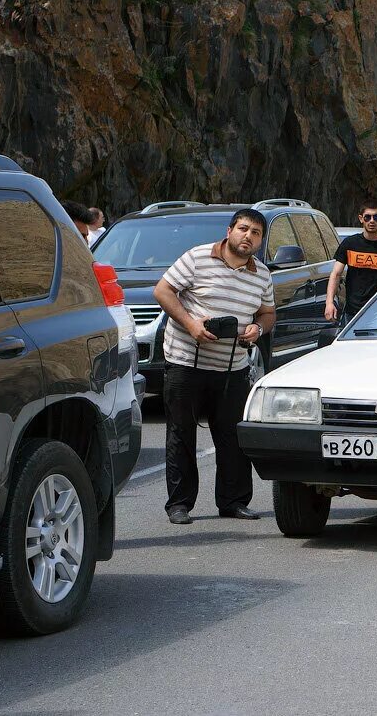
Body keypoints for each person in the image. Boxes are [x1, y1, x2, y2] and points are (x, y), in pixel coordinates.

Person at [153, 208, 277, 525]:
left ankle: (233, 502)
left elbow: (267, 314)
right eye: (243, 229)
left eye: (256, 233)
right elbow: (162, 291)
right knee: (181, 434)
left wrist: (257, 330)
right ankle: (179, 504)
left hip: (232, 366)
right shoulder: (196, 257)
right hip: (185, 360)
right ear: (229, 230)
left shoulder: (261, 274)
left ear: (260, 241)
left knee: (233, 436)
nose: (248, 236)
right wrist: (191, 324)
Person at [325, 200, 377, 326]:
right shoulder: (350, 244)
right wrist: (329, 303)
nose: (372, 221)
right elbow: (336, 274)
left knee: (374, 345)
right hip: (352, 311)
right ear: (361, 219)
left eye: (376, 217)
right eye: (367, 217)